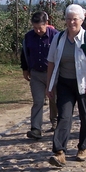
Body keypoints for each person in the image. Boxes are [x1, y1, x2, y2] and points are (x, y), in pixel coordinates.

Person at [46, 4, 86, 166]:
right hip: (65, 83)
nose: (71, 22)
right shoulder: (58, 39)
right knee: (64, 116)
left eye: (75, 19)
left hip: (85, 84)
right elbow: (51, 62)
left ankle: (83, 147)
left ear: (82, 20)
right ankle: (59, 152)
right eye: (68, 19)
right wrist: (49, 85)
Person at [21, 11, 59, 139]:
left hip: (53, 74)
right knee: (38, 101)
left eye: (40, 28)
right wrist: (25, 69)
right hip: (36, 74)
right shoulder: (28, 37)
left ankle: (55, 122)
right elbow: (25, 53)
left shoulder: (56, 36)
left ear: (46, 24)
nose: (37, 30)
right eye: (35, 27)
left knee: (54, 99)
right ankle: (36, 129)